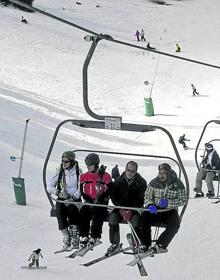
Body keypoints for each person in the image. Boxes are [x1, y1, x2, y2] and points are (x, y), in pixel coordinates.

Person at [139, 163, 187, 254]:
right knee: (144, 218)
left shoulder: (177, 184)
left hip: (169, 210)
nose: (161, 175)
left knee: (175, 225)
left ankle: (161, 244)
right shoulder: (154, 183)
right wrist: (150, 205)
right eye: (160, 173)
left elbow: (183, 200)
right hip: (156, 209)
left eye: (164, 173)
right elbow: (147, 196)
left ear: (169, 173)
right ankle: (145, 243)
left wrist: (168, 202)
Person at [106, 161, 147, 255]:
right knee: (112, 218)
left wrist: (131, 209)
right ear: (125, 169)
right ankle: (115, 243)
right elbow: (114, 196)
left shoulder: (141, 182)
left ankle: (135, 241)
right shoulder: (118, 180)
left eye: (132, 171)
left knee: (136, 221)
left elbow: (141, 199)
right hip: (120, 207)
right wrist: (121, 208)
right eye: (128, 170)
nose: (129, 173)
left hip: (134, 208)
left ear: (136, 171)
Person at [47, 151, 81, 250]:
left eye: (66, 161)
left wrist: (73, 198)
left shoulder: (78, 171)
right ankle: (66, 235)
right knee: (59, 209)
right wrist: (58, 192)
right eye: (62, 161)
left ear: (72, 161)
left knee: (72, 210)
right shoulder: (60, 170)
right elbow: (49, 185)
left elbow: (81, 188)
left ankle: (74, 235)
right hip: (63, 196)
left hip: (74, 198)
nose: (64, 163)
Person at [79, 153, 112, 246]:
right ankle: (84, 234)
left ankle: (95, 235)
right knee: (83, 213)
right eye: (87, 165)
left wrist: (102, 198)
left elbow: (110, 189)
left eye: (90, 165)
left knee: (98, 215)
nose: (88, 167)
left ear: (96, 164)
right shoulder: (84, 176)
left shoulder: (105, 176)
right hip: (89, 201)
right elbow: (81, 190)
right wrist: (87, 198)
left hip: (101, 202)